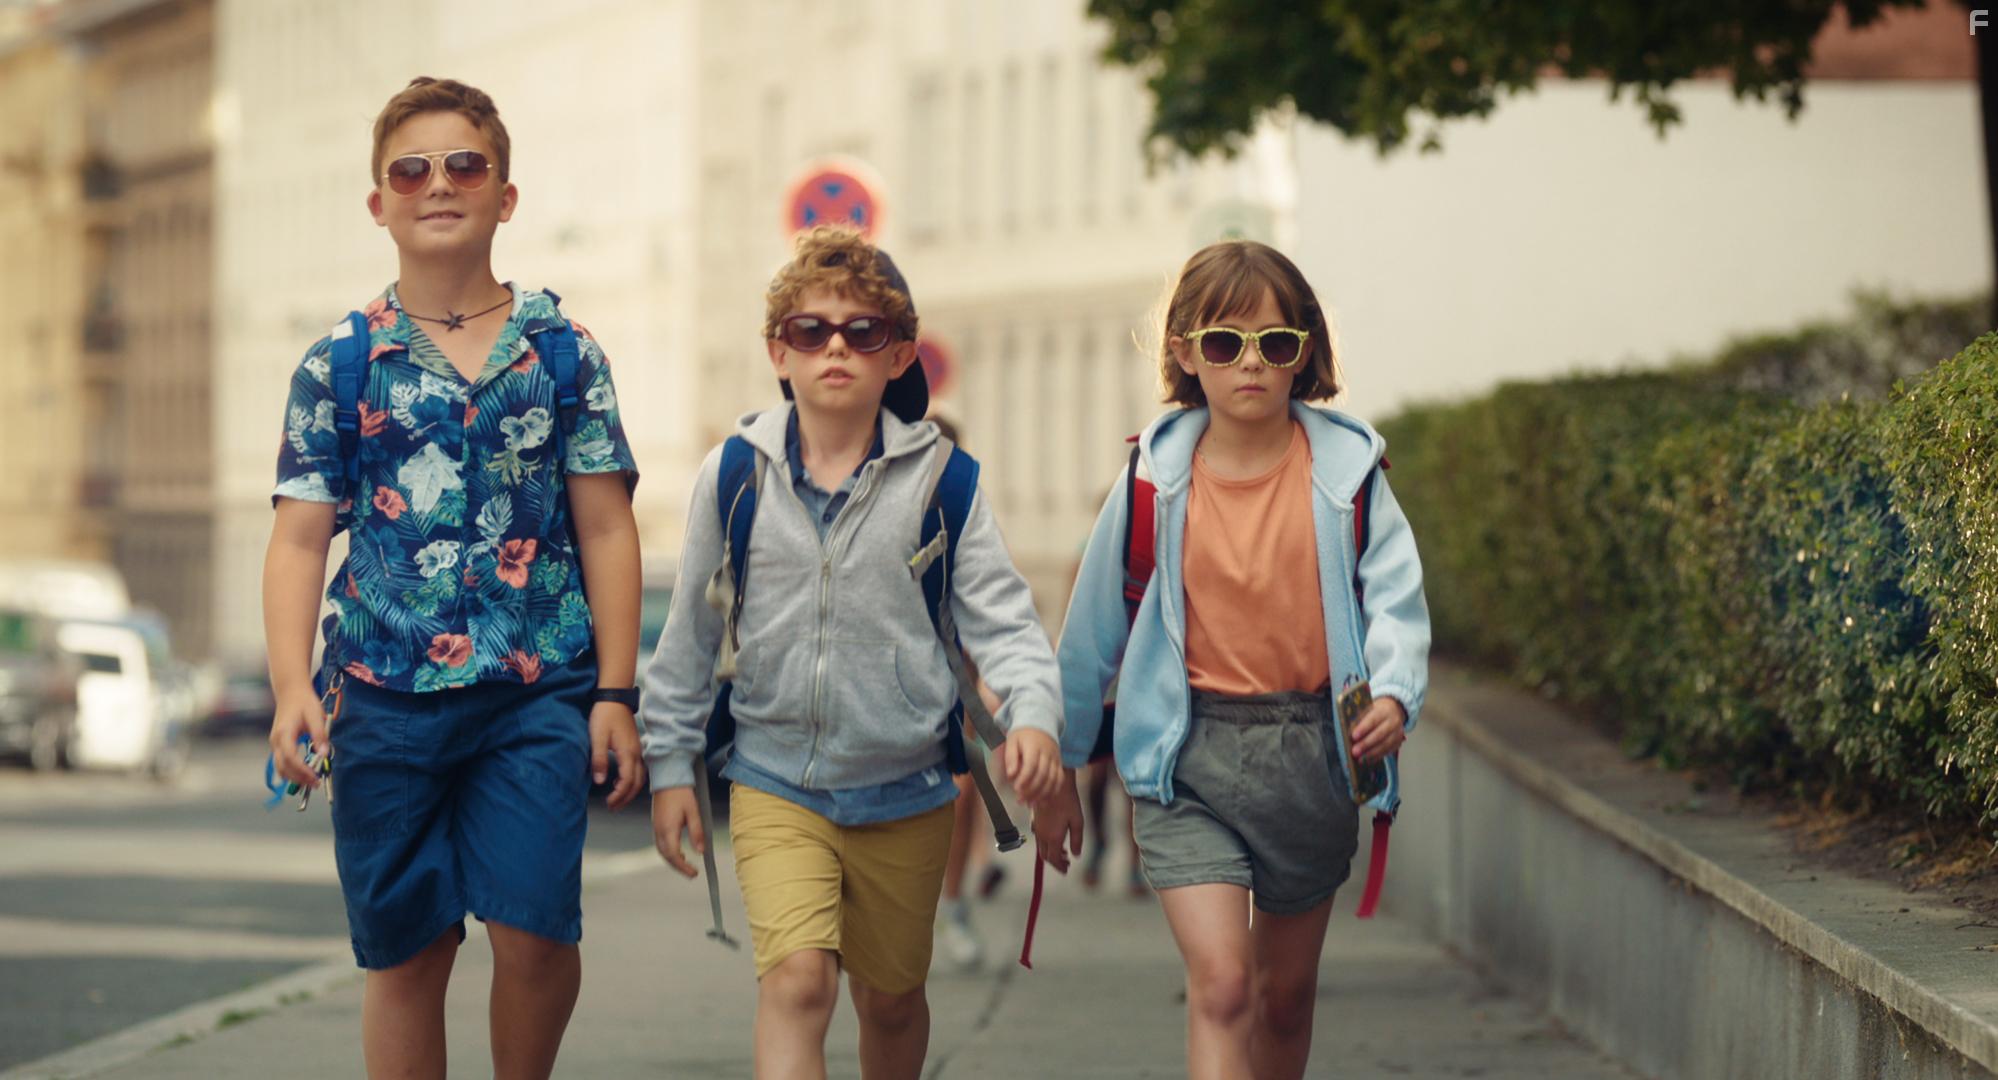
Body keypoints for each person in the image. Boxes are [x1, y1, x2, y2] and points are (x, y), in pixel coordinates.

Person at [263, 77, 644, 1080]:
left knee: (536, 934)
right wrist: (293, 687)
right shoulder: (340, 366)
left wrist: (615, 691)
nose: (440, 184)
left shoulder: (563, 356)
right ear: (379, 201)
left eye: (465, 165)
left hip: (535, 688)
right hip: (383, 696)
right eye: (412, 169)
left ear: (505, 196)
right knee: (409, 950)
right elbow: (301, 540)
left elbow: (605, 527)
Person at [640, 225, 1064, 1079]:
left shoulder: (947, 482)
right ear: (778, 351)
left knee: (892, 999)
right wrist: (670, 767)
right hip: (774, 779)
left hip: (905, 789)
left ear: (899, 352)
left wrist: (1038, 722)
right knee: (798, 985)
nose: (836, 346)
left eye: (863, 331)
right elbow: (687, 633)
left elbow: (1007, 627)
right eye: (811, 330)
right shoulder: (733, 477)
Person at [1035, 240, 1431, 1080]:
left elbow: (1394, 600)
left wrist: (1394, 694)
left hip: (1314, 755)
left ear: (1305, 356)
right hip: (1185, 757)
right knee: (1221, 986)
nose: (1250, 364)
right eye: (1224, 343)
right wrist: (1063, 768)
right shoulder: (1153, 477)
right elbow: (1092, 634)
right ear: (1184, 352)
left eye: (1275, 345)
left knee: (1283, 998)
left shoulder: (1349, 473)